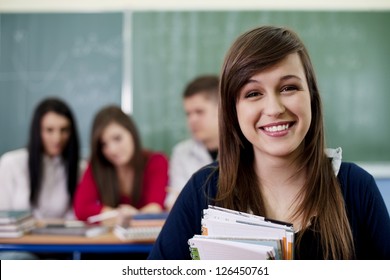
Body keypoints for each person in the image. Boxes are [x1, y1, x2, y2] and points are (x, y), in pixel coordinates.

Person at [148, 25, 390, 259]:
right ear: (233, 110)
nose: (274, 109)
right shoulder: (204, 189)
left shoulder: (357, 187)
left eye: (288, 88)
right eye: (253, 93)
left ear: (312, 98)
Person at [73, 105, 169, 224]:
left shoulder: (156, 161)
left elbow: (155, 209)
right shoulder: (98, 165)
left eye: (117, 138)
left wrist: (123, 217)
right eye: (104, 144)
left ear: (132, 133)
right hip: (111, 240)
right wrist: (118, 215)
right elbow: (81, 209)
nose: (112, 150)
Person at [0, 97, 81, 219]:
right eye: (49, 130)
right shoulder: (11, 163)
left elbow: (75, 217)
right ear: (37, 131)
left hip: (59, 237)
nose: (57, 138)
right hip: (16, 238)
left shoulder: (78, 168)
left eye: (64, 130)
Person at [165, 75, 220, 210]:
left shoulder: (246, 148)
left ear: (222, 110)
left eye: (199, 112)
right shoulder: (181, 152)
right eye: (188, 114)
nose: (192, 120)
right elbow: (174, 202)